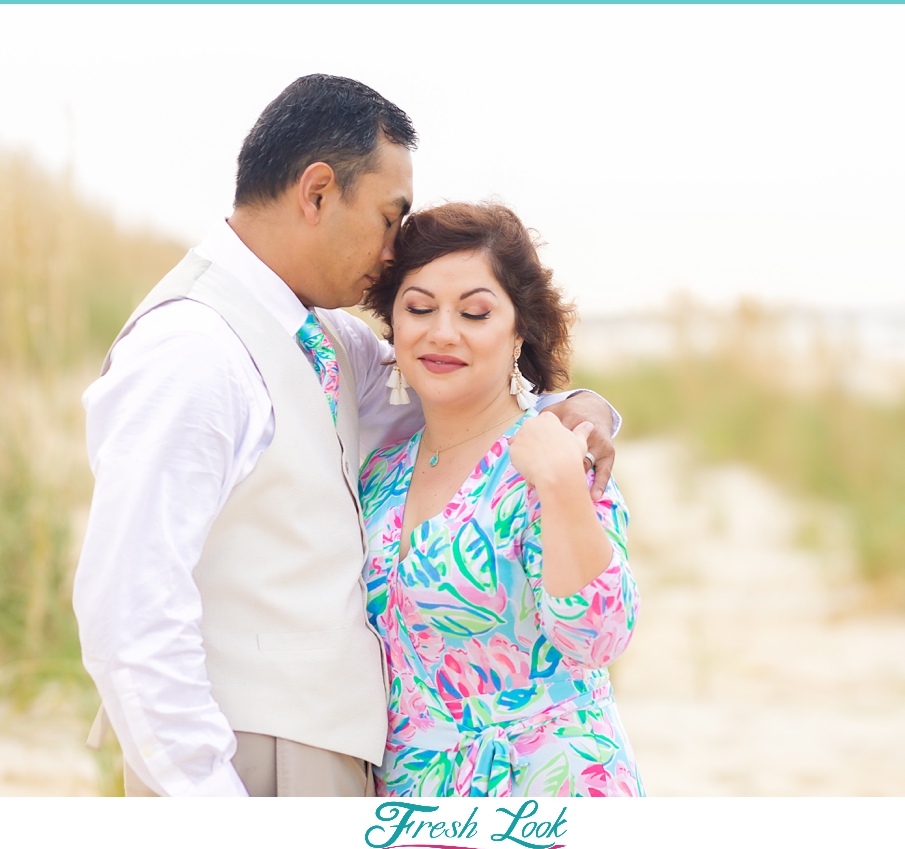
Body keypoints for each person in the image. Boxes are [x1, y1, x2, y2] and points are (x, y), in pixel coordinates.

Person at [72, 75, 620, 797]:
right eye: (390, 219)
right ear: (318, 192)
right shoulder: (193, 349)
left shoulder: (321, 338)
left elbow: (455, 389)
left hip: (345, 762)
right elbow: (129, 610)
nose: (395, 253)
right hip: (250, 759)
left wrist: (580, 406)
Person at [358, 202, 643, 797]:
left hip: (550, 785)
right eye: (419, 308)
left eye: (475, 312)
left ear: (519, 330)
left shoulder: (553, 452)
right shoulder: (378, 473)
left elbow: (599, 636)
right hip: (416, 798)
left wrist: (562, 482)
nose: (442, 332)